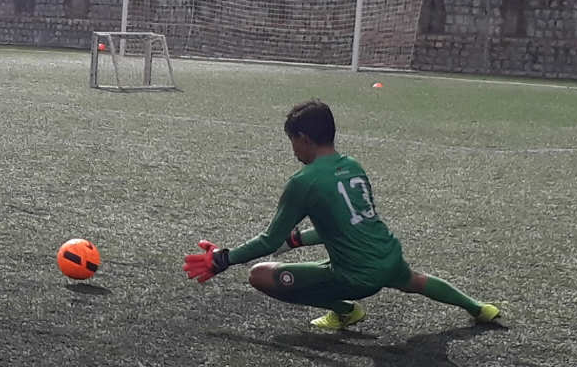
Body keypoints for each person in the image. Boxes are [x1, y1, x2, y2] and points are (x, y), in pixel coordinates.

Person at [183, 99, 500, 330]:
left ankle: (345, 310)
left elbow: (269, 240)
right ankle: (479, 308)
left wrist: (222, 259)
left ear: (304, 139)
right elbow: (344, 224)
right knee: (414, 281)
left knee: (260, 275)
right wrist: (298, 241)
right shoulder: (353, 166)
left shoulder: (303, 182)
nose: (294, 151)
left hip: (355, 276)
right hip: (388, 257)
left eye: (293, 142)